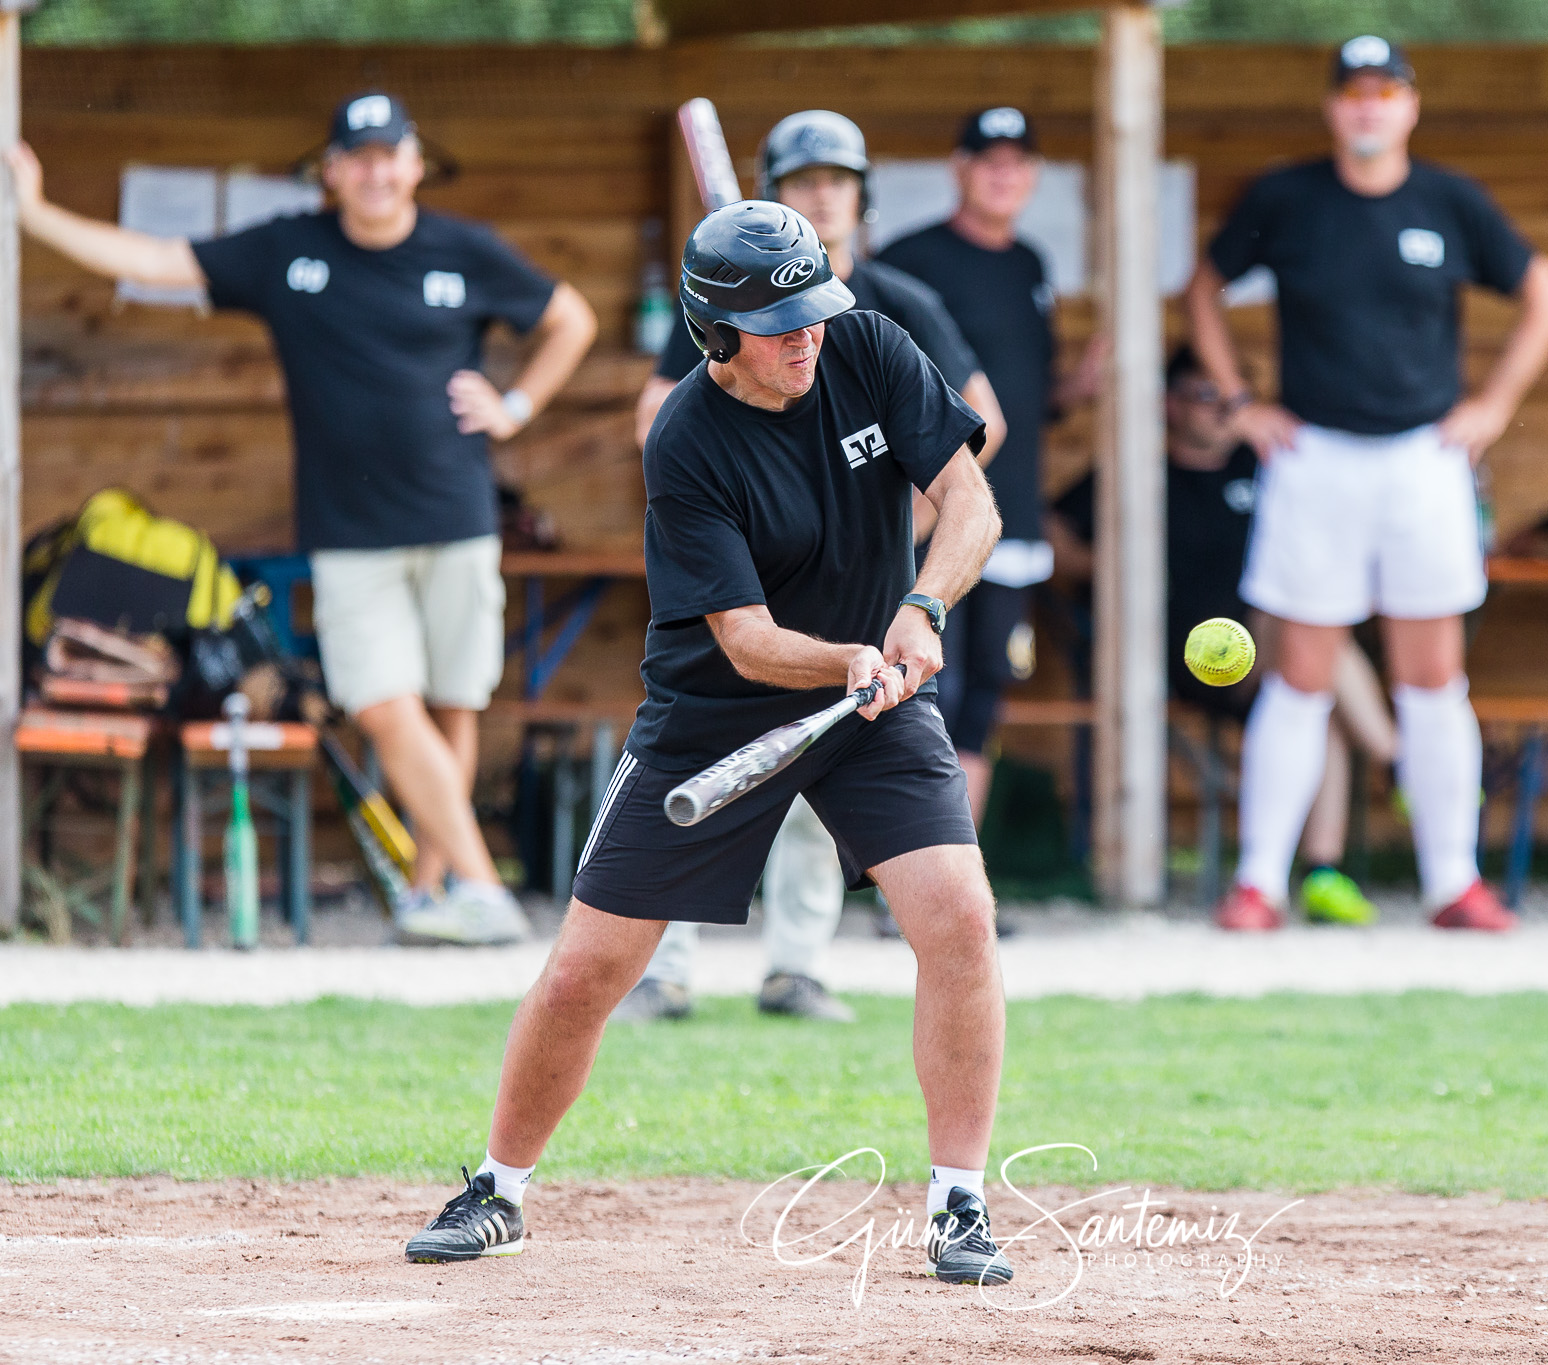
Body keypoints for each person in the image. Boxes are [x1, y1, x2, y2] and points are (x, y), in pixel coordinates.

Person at [404, 202, 1013, 1287]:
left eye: (812, 314)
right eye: (778, 324)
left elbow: (969, 499)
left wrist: (921, 606)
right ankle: (499, 1186)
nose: (805, 339)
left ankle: (958, 1205)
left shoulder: (866, 345)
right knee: (588, 970)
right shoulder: (685, 439)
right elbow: (743, 640)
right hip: (720, 710)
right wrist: (846, 661)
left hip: (877, 696)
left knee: (960, 919)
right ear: (714, 333)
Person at [6, 93, 598, 946]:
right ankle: (482, 885)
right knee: (383, 704)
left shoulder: (463, 249)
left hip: (458, 518)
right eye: (357, 156)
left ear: (415, 165)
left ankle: (431, 898)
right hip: (349, 531)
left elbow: (570, 317)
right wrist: (36, 213)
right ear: (332, 171)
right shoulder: (289, 250)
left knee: (454, 708)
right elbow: (157, 259)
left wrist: (515, 405)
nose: (375, 171)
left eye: (389, 154)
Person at [614, 108, 1008, 1025]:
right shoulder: (724, 306)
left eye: (839, 179)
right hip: (745, 595)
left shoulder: (889, 312)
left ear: (861, 195)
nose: (824, 193)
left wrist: (895, 536)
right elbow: (659, 419)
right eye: (805, 180)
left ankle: (796, 965)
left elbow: (976, 431)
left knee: (824, 786)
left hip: (873, 597)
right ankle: (666, 968)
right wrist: (748, 497)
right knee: (708, 779)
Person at [1183, 37, 1548, 933]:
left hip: (1422, 460)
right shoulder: (1286, 199)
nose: (1368, 108)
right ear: (1332, 107)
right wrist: (1242, 403)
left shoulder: (1451, 200)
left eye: (1384, 92)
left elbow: (1547, 296)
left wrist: (1494, 404)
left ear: (1410, 104)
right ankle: (1259, 884)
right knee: (1300, 673)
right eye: (1353, 93)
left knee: (1433, 677)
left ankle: (1454, 883)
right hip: (1313, 456)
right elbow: (1202, 289)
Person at [1047, 345, 1397, 924]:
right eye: (1205, 397)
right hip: (1188, 659)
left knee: (1313, 688)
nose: (1220, 412)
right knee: (1306, 632)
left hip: (1269, 657)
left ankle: (1322, 873)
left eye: (1231, 398)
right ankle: (1398, 758)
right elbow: (1053, 537)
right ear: (1169, 403)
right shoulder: (1137, 478)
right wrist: (1104, 565)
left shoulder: (1265, 471)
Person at [878, 106, 1099, 823]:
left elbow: (1031, 399)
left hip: (1013, 523)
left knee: (980, 705)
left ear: (1034, 175)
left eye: (1018, 162)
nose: (1004, 175)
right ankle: (899, 884)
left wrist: (1082, 383)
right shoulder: (908, 265)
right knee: (922, 696)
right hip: (934, 522)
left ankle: (958, 873)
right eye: (989, 160)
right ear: (960, 168)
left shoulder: (1033, 264)